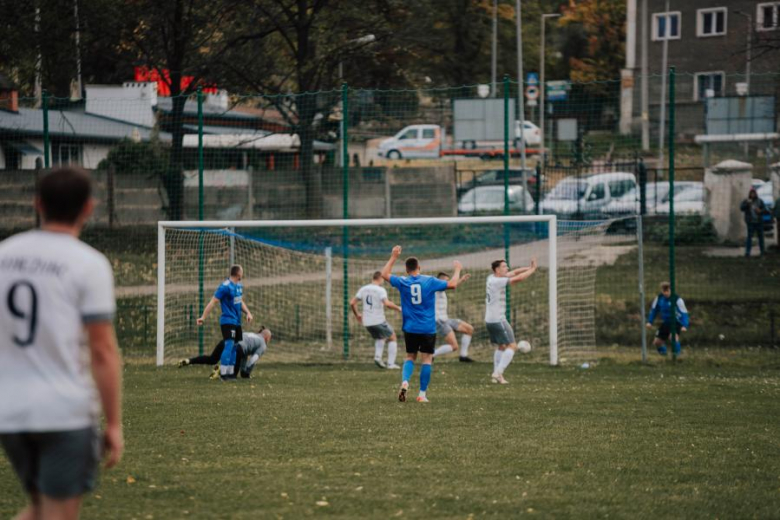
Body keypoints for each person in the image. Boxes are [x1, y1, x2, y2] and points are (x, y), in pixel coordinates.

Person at [0, 167, 123, 520]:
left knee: (39, 509)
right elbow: (101, 350)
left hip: (9, 411)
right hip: (62, 410)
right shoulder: (88, 264)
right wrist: (113, 424)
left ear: (37, 204)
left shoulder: (3, 255)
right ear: (89, 207)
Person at [381, 246, 463, 403]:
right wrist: (457, 269)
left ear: (406, 270)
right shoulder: (429, 280)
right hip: (427, 327)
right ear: (419, 268)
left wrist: (393, 257)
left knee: (410, 356)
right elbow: (452, 284)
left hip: (410, 327)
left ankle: (405, 382)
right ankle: (422, 395)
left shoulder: (403, 281)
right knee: (427, 359)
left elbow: (384, 274)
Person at [485, 259, 538, 384]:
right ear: (497, 270)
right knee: (512, 346)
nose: (507, 268)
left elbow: (514, 272)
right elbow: (517, 279)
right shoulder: (498, 281)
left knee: (502, 346)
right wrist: (532, 270)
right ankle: (498, 372)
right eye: (504, 266)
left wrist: (528, 267)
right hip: (498, 320)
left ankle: (496, 375)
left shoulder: (491, 278)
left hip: (490, 320)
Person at [197, 264, 253, 380]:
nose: (243, 274)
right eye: (242, 272)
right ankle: (223, 374)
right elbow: (213, 302)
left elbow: (240, 301)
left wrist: (248, 312)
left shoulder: (239, 286)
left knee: (235, 347)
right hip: (227, 321)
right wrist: (203, 317)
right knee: (229, 345)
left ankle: (230, 374)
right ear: (238, 274)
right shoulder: (225, 287)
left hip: (237, 322)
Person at [350, 271, 402, 369]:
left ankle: (378, 357)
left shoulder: (363, 289)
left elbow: (352, 303)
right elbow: (387, 304)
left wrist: (357, 315)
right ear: (381, 278)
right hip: (378, 320)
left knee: (381, 337)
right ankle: (391, 364)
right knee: (392, 337)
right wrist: (399, 308)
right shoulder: (380, 290)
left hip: (367, 322)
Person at [432, 271, 475, 362]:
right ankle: (432, 354)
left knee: (469, 329)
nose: (448, 282)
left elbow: (451, 285)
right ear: (439, 280)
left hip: (445, 319)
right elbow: (451, 285)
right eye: (446, 280)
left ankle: (463, 356)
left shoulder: (442, 288)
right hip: (438, 321)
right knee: (454, 346)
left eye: (448, 280)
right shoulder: (436, 287)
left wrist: (461, 280)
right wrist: (458, 271)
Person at [646, 282, 689, 356]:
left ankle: (677, 357)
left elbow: (684, 313)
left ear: (671, 290)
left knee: (673, 337)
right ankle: (665, 357)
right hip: (666, 323)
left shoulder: (677, 299)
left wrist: (684, 325)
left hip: (676, 322)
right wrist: (650, 321)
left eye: (667, 291)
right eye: (664, 291)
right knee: (657, 342)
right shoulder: (659, 298)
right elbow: (654, 310)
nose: (665, 293)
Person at [740, 188, 768, 257]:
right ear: (749, 194)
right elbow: (741, 208)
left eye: (753, 193)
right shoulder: (747, 201)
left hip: (758, 221)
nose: (752, 195)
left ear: (755, 194)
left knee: (760, 237)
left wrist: (760, 211)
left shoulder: (759, 201)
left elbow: (765, 209)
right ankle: (747, 252)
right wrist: (747, 204)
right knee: (749, 237)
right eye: (751, 193)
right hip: (750, 222)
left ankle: (762, 252)